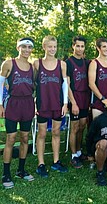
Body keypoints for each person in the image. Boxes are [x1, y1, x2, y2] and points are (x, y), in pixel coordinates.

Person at [0, 38, 35, 189]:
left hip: (27, 104)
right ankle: (6, 173)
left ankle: (21, 170)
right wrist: (0, 104)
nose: (27, 50)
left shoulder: (32, 67)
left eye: (29, 47)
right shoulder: (9, 63)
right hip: (13, 103)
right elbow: (0, 84)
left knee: (25, 137)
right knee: (11, 138)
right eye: (24, 47)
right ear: (18, 47)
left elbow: (35, 86)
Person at [34, 35, 69, 177]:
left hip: (57, 103)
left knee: (56, 132)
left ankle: (56, 161)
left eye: (54, 46)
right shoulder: (37, 64)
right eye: (50, 46)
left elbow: (65, 84)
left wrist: (65, 102)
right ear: (44, 47)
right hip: (43, 104)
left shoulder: (62, 64)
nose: (52, 49)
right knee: (41, 134)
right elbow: (33, 84)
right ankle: (40, 164)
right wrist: (34, 102)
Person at [66, 36, 90, 168]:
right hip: (75, 97)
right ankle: (73, 155)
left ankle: (79, 151)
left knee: (82, 126)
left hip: (85, 97)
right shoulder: (68, 62)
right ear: (73, 46)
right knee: (74, 128)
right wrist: (73, 103)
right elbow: (67, 85)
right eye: (78, 46)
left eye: (82, 46)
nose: (80, 48)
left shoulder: (87, 62)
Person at [88, 38, 107, 119]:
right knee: (97, 129)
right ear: (98, 48)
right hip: (98, 102)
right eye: (104, 47)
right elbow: (91, 84)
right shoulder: (94, 63)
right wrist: (103, 99)